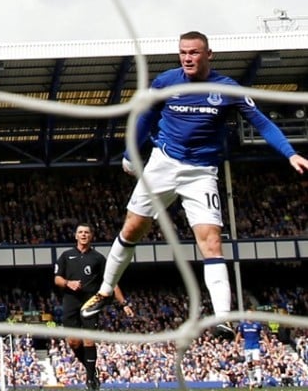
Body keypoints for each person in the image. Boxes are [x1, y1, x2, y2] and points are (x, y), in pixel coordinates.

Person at [80, 31, 308, 340]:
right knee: (132, 229)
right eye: (183, 52)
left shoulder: (226, 88)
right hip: (163, 163)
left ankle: (224, 318)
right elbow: (144, 118)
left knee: (211, 241)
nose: (188, 57)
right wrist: (131, 151)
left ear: (208, 54)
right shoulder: (164, 82)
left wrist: (290, 153)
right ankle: (106, 291)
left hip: (201, 172)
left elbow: (262, 122)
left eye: (194, 52)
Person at [54, 223, 134, 390]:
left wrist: (124, 303)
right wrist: (69, 283)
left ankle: (90, 380)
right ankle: (91, 369)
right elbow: (57, 279)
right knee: (74, 342)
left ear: (91, 236)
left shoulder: (98, 258)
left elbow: (112, 282)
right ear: (75, 236)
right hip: (70, 302)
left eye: (86, 232)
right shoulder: (66, 256)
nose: (83, 235)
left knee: (89, 340)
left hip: (91, 303)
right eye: (80, 232)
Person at [238, 319, 264, 387]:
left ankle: (259, 381)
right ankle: (252, 381)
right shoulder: (243, 325)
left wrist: (269, 345)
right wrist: (236, 344)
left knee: (257, 362)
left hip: (255, 346)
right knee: (249, 364)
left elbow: (263, 334)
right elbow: (239, 334)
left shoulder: (257, 324)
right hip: (247, 347)